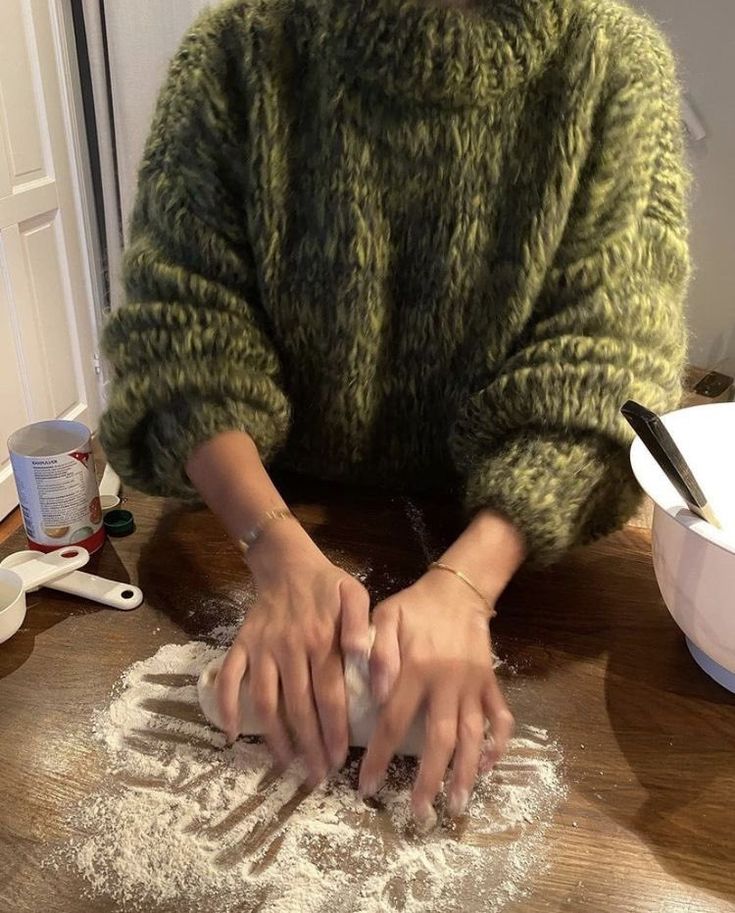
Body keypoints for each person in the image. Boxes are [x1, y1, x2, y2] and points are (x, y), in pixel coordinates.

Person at [100, 0, 690, 828]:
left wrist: (464, 584)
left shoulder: (607, 64)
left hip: (516, 542)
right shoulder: (237, 54)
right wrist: (273, 546)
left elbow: (608, 363)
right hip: (260, 505)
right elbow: (182, 333)